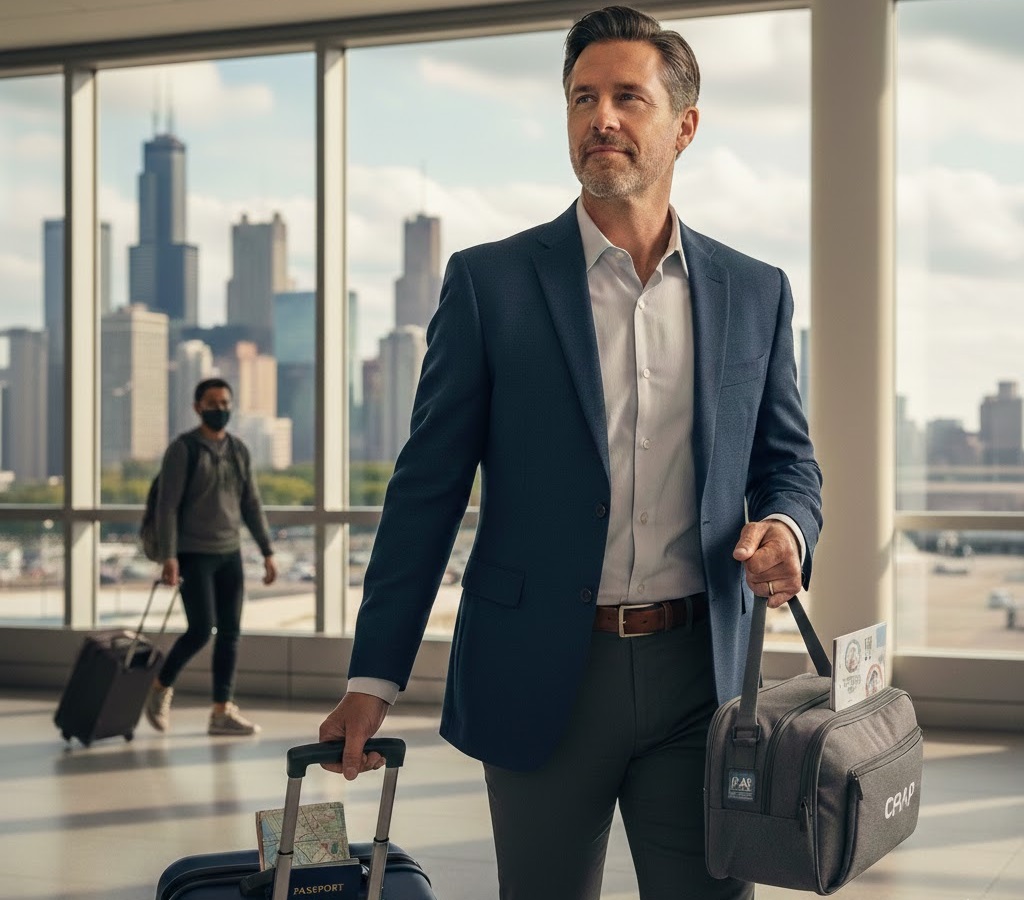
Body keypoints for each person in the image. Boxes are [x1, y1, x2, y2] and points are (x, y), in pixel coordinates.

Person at [320, 6, 823, 898]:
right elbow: (426, 490)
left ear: (685, 126)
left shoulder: (756, 292)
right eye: (583, 98)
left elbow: (788, 461)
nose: (602, 118)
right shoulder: (491, 285)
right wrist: (374, 677)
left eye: (629, 97)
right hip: (540, 670)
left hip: (700, 679)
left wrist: (786, 525)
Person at [144, 377, 277, 737]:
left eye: (225, 403)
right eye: (213, 403)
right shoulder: (183, 449)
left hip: (229, 553)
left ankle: (221, 711)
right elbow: (167, 507)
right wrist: (169, 556)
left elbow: (251, 504)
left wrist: (267, 551)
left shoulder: (238, 450)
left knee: (230, 632)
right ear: (197, 407)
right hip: (193, 554)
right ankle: (159, 687)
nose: (220, 409)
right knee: (201, 629)